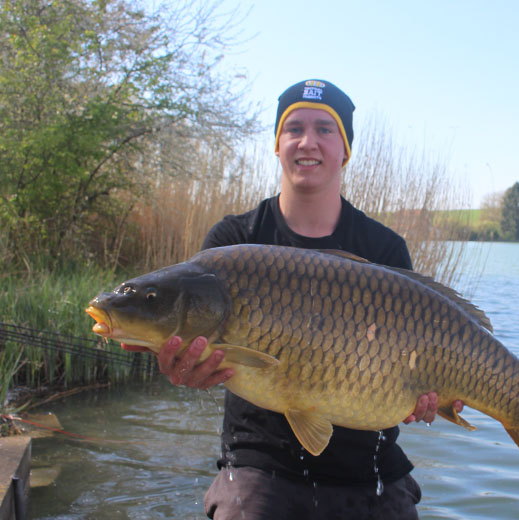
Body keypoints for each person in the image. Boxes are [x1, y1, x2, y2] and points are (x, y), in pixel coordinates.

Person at [122, 79, 463, 519]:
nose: (308, 142)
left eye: (325, 129)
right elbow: (203, 354)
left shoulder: (384, 249)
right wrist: (185, 368)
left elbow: (413, 377)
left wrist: (429, 398)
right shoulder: (230, 245)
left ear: (345, 148)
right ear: (277, 144)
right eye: (294, 128)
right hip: (259, 467)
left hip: (369, 469)